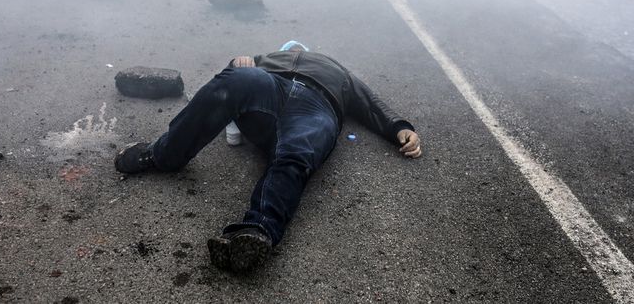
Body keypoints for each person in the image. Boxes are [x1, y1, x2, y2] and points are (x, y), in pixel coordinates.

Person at [114, 41, 423, 273]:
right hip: (270, 87)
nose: (297, 48)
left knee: (297, 149)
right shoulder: (267, 59)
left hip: (318, 105)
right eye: (292, 47)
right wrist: (238, 63)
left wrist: (400, 127)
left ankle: (256, 231)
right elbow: (223, 85)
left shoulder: (338, 70)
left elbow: (370, 103)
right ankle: (162, 154)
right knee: (236, 80)